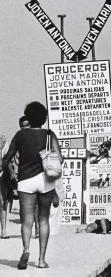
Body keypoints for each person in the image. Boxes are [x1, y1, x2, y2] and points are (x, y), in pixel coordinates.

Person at [1, 101, 63, 270]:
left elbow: (8, 157)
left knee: (26, 221)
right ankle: (42, 260)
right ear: (44, 118)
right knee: (43, 220)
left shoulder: (20, 135)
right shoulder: (50, 135)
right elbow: (59, 158)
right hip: (46, 181)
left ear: (28, 117)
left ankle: (26, 249)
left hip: (26, 182)